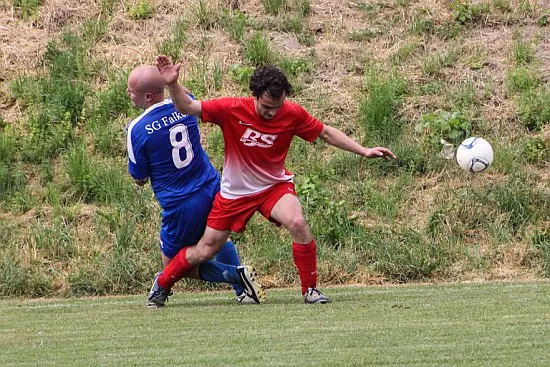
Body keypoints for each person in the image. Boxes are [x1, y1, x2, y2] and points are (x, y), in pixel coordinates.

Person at [147, 56, 397, 307]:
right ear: (255, 95)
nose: (271, 112)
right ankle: (163, 285)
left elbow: (326, 133)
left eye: (276, 107)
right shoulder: (231, 108)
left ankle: (310, 290)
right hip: (235, 192)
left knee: (298, 222)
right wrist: (172, 85)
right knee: (206, 250)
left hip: (272, 187)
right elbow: (187, 108)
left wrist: (363, 150)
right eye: (266, 106)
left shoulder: (292, 114)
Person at [125, 65, 265, 307]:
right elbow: (184, 94)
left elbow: (140, 178)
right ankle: (242, 290)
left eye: (131, 91)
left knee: (174, 267)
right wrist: (171, 83)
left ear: (148, 96)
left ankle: (236, 276)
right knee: (216, 238)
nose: (128, 94)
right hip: (211, 186)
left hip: (180, 203)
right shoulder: (185, 104)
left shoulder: (137, 129)